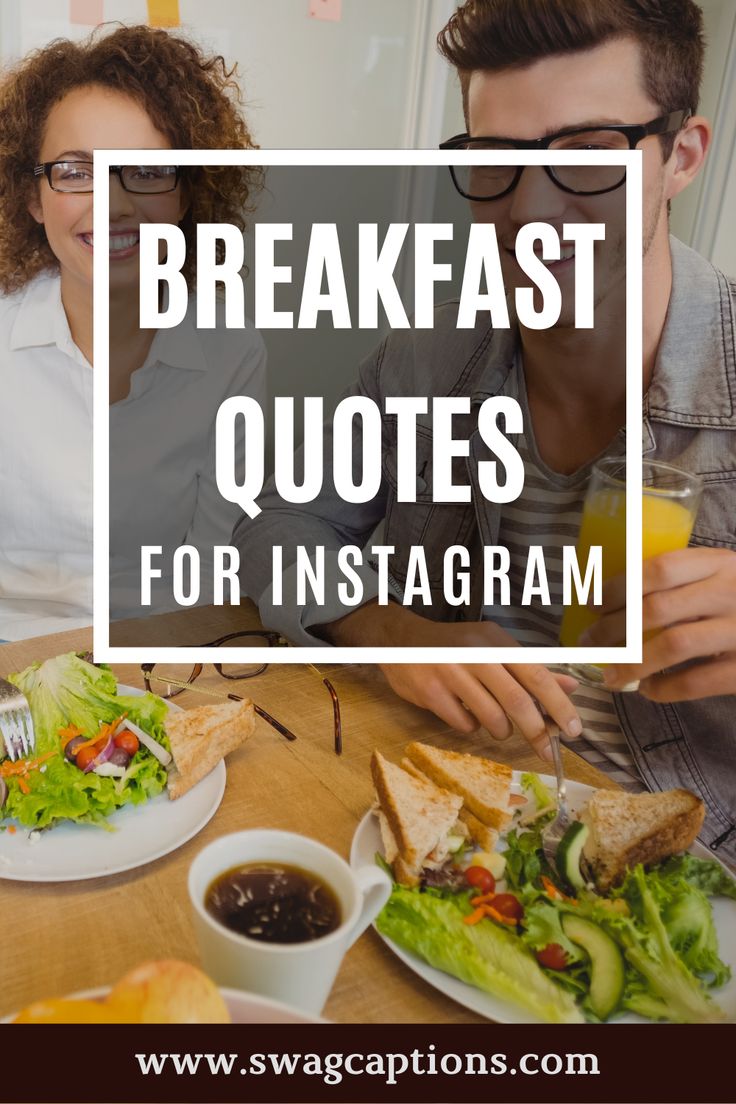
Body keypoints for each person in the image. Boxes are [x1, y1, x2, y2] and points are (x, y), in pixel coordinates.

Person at [235, 0, 736, 865]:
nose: (530, 213)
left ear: (678, 158)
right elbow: (280, 524)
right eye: (496, 161)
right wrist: (398, 634)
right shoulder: (429, 355)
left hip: (689, 864)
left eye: (586, 157)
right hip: (441, 816)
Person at [0, 25, 264, 639]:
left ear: (186, 194)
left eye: (145, 169)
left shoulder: (232, 351)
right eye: (75, 171)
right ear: (33, 197)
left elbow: (210, 571)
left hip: (160, 660)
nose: (113, 204)